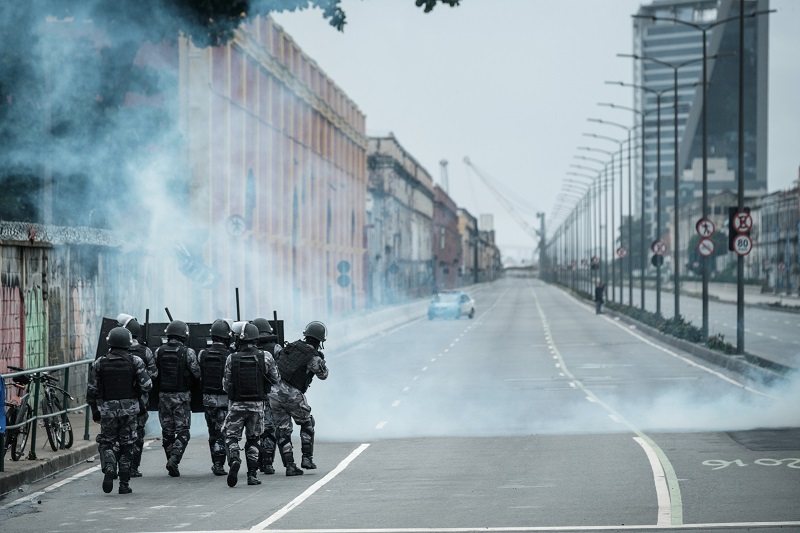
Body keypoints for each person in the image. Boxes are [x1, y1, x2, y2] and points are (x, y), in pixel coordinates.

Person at [87, 326, 152, 494]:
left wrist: (95, 410)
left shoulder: (100, 363)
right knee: (127, 445)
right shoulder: (135, 361)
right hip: (130, 411)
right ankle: (124, 484)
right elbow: (147, 385)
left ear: (110, 343)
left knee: (107, 442)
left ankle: (109, 465)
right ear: (128, 343)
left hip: (108, 410)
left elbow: (91, 391)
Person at [222, 323, 282, 487]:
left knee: (231, 436)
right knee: (254, 439)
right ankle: (252, 475)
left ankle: (234, 457)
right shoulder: (267, 356)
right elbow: (276, 379)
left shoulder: (231, 358)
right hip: (257, 406)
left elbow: (226, 385)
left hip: (236, 405)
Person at [269, 320, 329, 476]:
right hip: (292, 394)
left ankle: (289, 466)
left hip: (274, 392)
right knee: (307, 423)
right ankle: (307, 458)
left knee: (282, 429)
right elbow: (323, 375)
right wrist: (320, 359)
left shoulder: (292, 346)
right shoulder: (313, 356)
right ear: (320, 341)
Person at [154, 319, 201, 477]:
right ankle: (174, 459)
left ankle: (170, 460)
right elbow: (197, 374)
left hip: (164, 397)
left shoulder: (159, 351)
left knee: (167, 432)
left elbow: (154, 373)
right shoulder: (188, 352)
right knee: (183, 431)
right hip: (181, 397)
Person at [117, 313, 158, 478]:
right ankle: (132, 468)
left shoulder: (111, 351)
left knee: (112, 436)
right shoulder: (145, 351)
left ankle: (111, 465)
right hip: (139, 402)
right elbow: (154, 374)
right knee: (136, 435)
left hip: (112, 403)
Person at [198, 319, 233, 476]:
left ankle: (216, 463)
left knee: (213, 432)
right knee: (222, 432)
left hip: (208, 400)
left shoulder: (202, 354)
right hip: (224, 400)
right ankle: (219, 463)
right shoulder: (230, 356)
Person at [251, 317, 282, 475]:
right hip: (271, 394)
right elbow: (280, 373)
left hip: (251, 395)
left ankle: (255, 462)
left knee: (254, 431)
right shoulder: (275, 348)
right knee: (269, 429)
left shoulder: (245, 348)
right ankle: (268, 462)